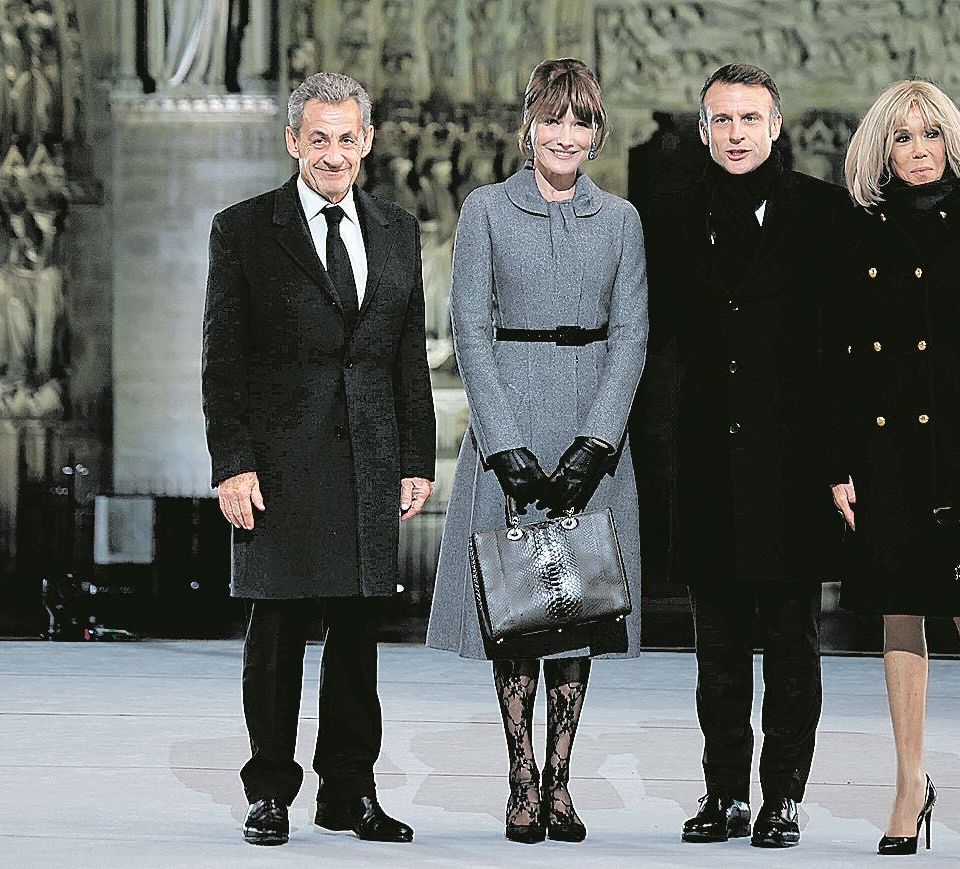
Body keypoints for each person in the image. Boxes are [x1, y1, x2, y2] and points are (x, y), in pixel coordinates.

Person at [201, 71, 436, 847]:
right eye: (318, 138)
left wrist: (415, 454)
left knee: (357, 632)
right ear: (293, 141)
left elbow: (406, 353)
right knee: (275, 631)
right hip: (276, 463)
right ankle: (269, 789)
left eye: (347, 137)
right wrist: (231, 461)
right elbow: (222, 360)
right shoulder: (243, 229)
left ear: (366, 140)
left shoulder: (398, 229)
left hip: (368, 455)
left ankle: (347, 791)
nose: (333, 153)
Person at [425, 58, 648, 845]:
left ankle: (560, 778)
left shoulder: (619, 219)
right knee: (519, 612)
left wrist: (597, 441)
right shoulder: (485, 210)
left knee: (576, 610)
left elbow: (631, 335)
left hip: (591, 428)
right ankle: (519, 773)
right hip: (509, 427)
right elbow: (469, 331)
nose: (564, 134)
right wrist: (504, 445)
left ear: (596, 132)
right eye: (551, 118)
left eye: (579, 120)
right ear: (527, 126)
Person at [645, 63, 847, 849]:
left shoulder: (821, 213)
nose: (735, 133)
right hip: (701, 458)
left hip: (793, 464)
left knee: (792, 643)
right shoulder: (669, 213)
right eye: (721, 120)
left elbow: (839, 350)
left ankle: (781, 798)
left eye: (748, 119)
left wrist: (841, 462)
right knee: (716, 646)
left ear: (776, 125)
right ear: (702, 130)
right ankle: (723, 791)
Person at [829, 79, 960, 862]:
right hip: (883, 455)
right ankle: (909, 782)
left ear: (953, 142)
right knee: (896, 613)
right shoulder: (859, 230)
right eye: (903, 137)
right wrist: (841, 461)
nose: (917, 151)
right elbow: (842, 358)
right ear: (882, 148)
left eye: (930, 135)